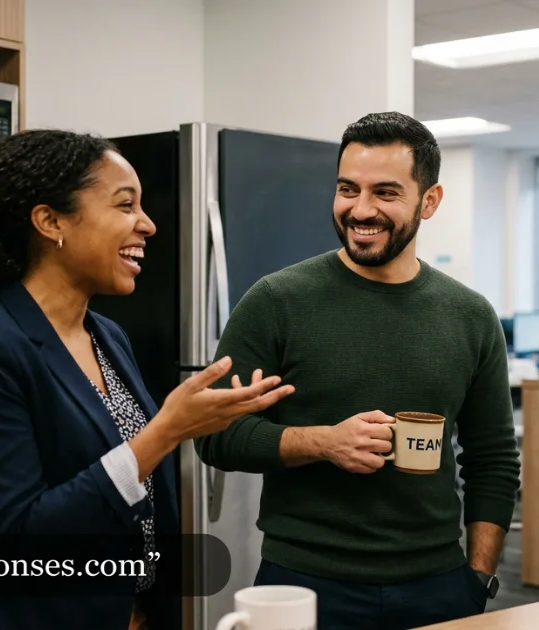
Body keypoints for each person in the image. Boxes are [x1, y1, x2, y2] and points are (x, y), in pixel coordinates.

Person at [0, 129, 293, 630]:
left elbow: (135, 499)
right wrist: (166, 431)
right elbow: (15, 537)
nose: (148, 225)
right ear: (50, 221)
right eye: (124, 205)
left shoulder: (106, 336)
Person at [193, 112, 521, 630]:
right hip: (303, 580)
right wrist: (322, 442)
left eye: (385, 193)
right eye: (348, 188)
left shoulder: (469, 315)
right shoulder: (277, 300)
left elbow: (493, 460)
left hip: (438, 583)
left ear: (428, 202)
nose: (360, 210)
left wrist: (478, 578)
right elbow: (215, 436)